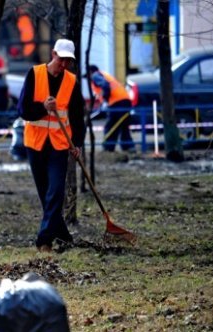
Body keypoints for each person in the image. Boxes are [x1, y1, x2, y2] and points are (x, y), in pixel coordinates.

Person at [17, 38, 85, 253]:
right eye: (61, 59)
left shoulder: (72, 82)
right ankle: (64, 237)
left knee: (55, 191)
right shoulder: (34, 74)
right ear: (53, 54)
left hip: (59, 144)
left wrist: (78, 144)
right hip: (35, 143)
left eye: (68, 61)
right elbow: (23, 110)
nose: (63, 64)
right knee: (45, 193)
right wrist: (43, 107)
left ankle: (44, 240)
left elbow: (76, 117)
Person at [86, 65, 135, 152]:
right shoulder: (104, 74)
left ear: (90, 72)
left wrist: (106, 99)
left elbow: (105, 85)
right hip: (125, 100)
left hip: (116, 102)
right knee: (123, 125)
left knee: (111, 125)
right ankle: (128, 147)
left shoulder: (95, 75)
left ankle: (108, 148)